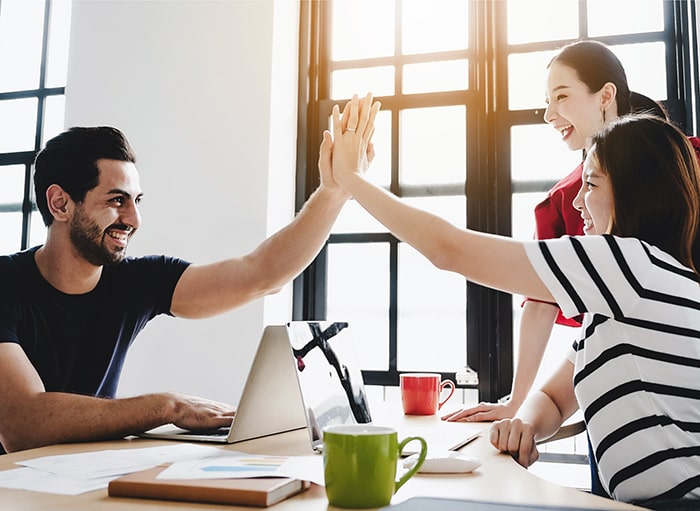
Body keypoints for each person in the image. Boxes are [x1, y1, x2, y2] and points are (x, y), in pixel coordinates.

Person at [330, 94, 700, 506]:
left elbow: (448, 249)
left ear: (637, 193)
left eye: (591, 184)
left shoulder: (627, 264)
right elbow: (557, 398)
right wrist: (523, 422)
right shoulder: (630, 295)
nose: (577, 202)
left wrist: (350, 179)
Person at [0, 100, 374, 454]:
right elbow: (23, 425)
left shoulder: (135, 281)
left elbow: (260, 276)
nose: (133, 219)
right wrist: (167, 406)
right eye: (117, 201)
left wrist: (334, 191)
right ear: (60, 203)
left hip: (76, 482)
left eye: (136, 201)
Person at [442, 40, 670, 425]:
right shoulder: (566, 199)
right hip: (615, 402)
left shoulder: (689, 162)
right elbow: (540, 298)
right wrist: (516, 404)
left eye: (561, 96)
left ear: (606, 95)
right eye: (547, 100)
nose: (548, 114)